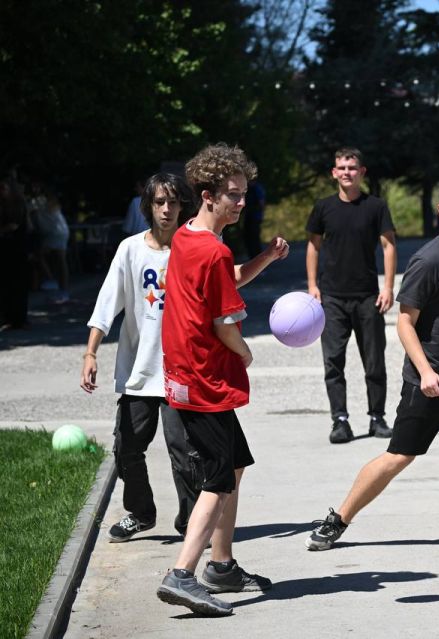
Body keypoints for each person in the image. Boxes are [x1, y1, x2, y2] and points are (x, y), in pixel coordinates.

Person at [305, 175, 439, 551]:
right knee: (398, 456)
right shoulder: (428, 261)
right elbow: (404, 322)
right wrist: (426, 371)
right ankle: (337, 520)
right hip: (427, 380)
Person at [156, 143, 290, 617]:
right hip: (204, 378)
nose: (241, 203)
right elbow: (223, 322)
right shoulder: (210, 248)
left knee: (233, 465)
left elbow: (224, 279)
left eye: (245, 195)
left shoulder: (189, 239)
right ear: (207, 195)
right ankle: (182, 574)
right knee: (218, 478)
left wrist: (266, 260)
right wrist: (247, 350)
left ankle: (222, 564)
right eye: (233, 195)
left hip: (185, 375)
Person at [81, 173, 200, 542]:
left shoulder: (193, 247)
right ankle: (140, 512)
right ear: (147, 206)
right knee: (126, 447)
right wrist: (90, 352)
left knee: (184, 452)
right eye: (160, 202)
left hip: (180, 371)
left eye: (174, 202)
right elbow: (107, 304)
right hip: (140, 370)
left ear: (183, 206)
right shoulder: (130, 249)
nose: (167, 209)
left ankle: (191, 520)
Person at [305, 147, 397, 444]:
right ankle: (339, 421)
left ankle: (377, 418)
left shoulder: (376, 207)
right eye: (341, 168)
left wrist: (388, 287)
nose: (347, 172)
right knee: (333, 361)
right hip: (331, 296)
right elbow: (313, 247)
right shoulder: (323, 207)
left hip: (368, 296)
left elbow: (388, 247)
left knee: (374, 360)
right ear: (334, 173)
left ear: (362, 172)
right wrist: (312, 285)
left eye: (352, 168)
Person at [0, 176, 30, 329]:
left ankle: (20, 318)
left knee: (18, 284)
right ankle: (9, 318)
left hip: (18, 248)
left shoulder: (18, 204)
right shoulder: (4, 204)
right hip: (6, 249)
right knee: (6, 285)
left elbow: (15, 225)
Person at [242, 178, 265, 259]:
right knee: (248, 238)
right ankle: (252, 259)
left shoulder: (256, 188)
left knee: (255, 240)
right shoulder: (249, 189)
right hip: (249, 217)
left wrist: (254, 211)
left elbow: (261, 203)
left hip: (255, 218)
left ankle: (258, 260)